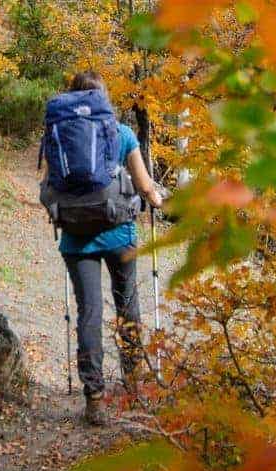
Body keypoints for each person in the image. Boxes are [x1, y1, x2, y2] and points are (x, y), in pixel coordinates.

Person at [47, 71, 163, 425]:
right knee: (127, 305)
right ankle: (133, 384)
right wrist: (157, 199)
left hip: (76, 238)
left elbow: (48, 186)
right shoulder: (122, 132)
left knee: (90, 313)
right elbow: (145, 187)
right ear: (104, 98)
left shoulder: (59, 132)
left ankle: (94, 398)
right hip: (118, 234)